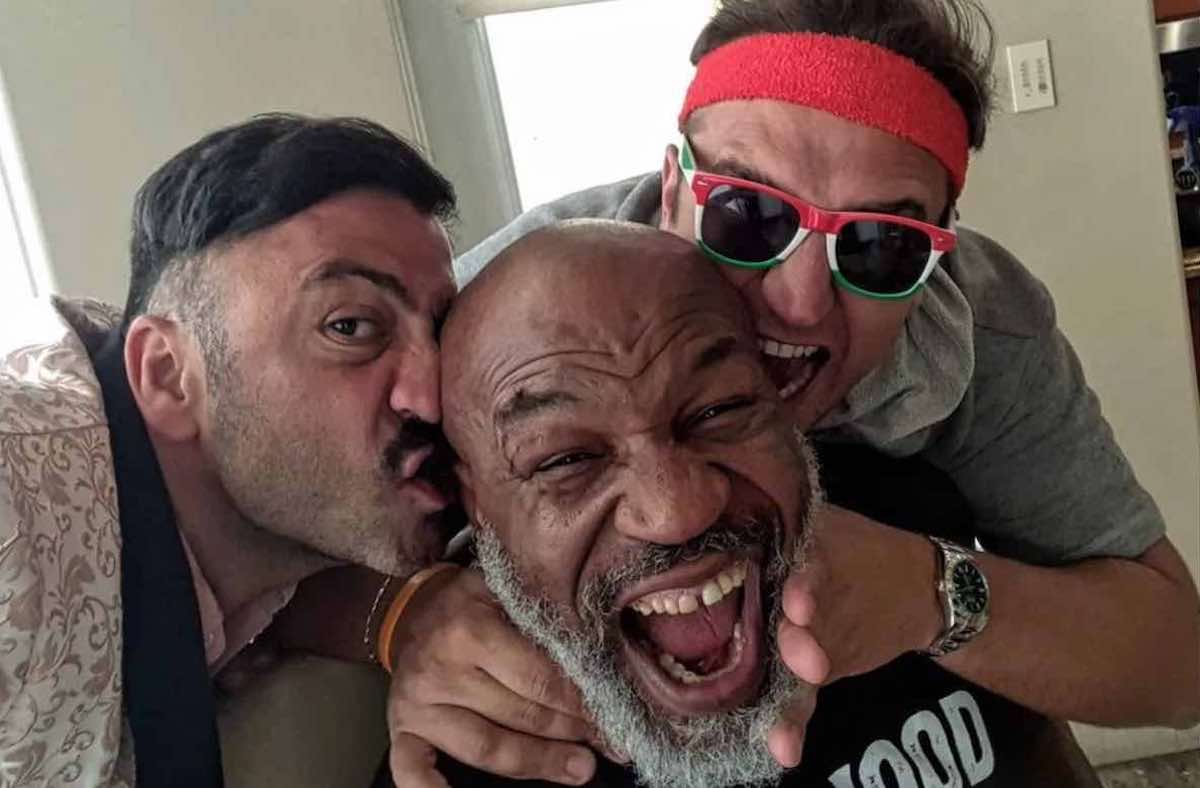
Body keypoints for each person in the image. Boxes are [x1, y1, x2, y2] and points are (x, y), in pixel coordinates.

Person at [387, 0, 1199, 782]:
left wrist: (927, 595)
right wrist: (397, 613)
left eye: (881, 246)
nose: (800, 303)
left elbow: (1176, 667)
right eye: (747, 214)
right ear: (671, 190)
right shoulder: (500, 323)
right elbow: (308, 501)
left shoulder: (985, 331)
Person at [427, 220, 1100, 788]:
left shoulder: (903, 520)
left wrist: (933, 597)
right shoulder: (462, 744)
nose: (678, 511)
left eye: (719, 410)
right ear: (475, 502)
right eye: (566, 460)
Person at [0, 113, 460, 786]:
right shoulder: (19, 499)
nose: (432, 395)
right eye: (350, 326)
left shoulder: (242, 533)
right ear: (167, 375)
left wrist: (405, 614)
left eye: (446, 332)